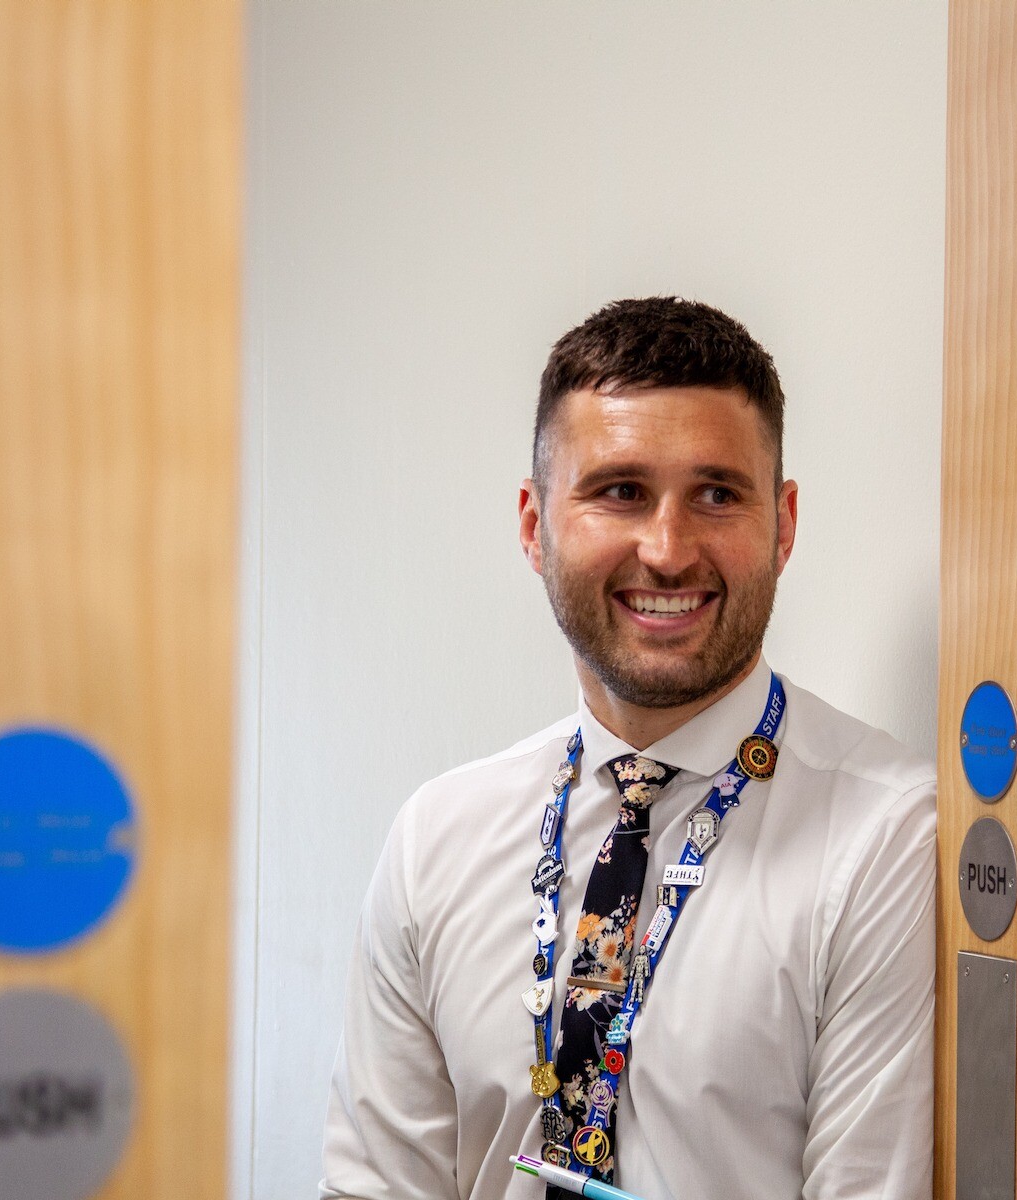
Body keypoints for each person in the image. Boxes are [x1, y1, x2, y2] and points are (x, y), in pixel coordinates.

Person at [320, 297, 936, 1200]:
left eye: (717, 494)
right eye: (621, 492)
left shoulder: (886, 837)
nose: (668, 548)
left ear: (784, 524)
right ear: (534, 525)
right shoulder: (437, 843)